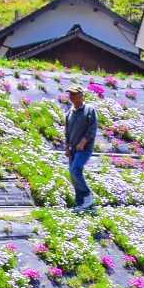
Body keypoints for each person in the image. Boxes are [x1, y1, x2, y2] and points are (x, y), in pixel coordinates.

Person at [64, 85, 99, 213]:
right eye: (70, 94)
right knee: (73, 174)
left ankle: (87, 195)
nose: (71, 97)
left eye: (74, 94)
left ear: (81, 96)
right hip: (73, 149)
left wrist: (83, 142)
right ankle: (80, 203)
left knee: (75, 169)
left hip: (84, 148)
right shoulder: (69, 113)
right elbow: (67, 132)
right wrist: (67, 147)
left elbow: (92, 129)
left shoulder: (89, 110)